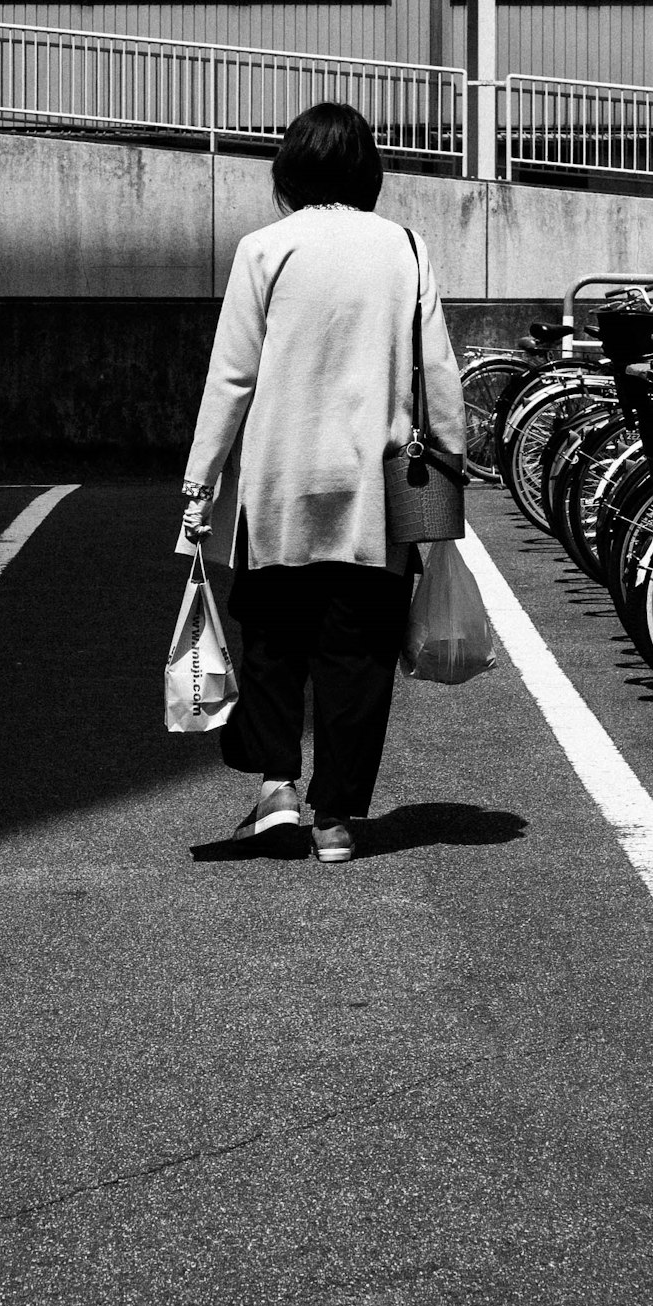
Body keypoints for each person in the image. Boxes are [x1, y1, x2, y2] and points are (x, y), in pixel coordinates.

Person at [180, 102, 469, 863]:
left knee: (273, 641)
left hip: (277, 486)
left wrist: (199, 478)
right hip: (375, 494)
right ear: (368, 170)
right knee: (360, 653)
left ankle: (277, 789)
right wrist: (452, 459)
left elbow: (233, 375)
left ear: (291, 170)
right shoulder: (404, 246)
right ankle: (336, 819)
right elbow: (437, 368)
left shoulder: (264, 249)